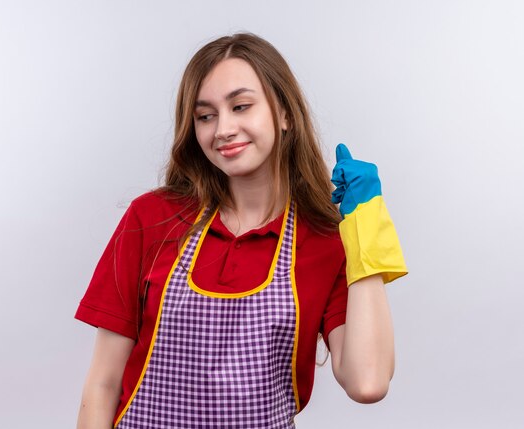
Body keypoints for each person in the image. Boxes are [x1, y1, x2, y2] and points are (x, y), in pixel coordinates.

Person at [75, 32, 407, 429]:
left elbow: (367, 382)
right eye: (206, 115)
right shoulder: (152, 218)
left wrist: (365, 227)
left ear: (284, 114)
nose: (223, 129)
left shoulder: (323, 240)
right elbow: (102, 384)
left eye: (241, 106)